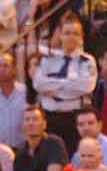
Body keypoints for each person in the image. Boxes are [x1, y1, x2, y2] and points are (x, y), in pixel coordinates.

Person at [33, 14, 98, 157]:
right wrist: (69, 85)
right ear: (60, 35)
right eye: (67, 33)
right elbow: (38, 84)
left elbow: (86, 86)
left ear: (81, 37)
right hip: (50, 117)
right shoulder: (49, 59)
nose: (70, 37)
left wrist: (53, 88)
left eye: (75, 33)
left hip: (73, 119)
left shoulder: (86, 61)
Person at [13, 105, 68, 171]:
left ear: (44, 124)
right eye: (27, 119)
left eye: (35, 119)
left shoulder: (54, 143)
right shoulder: (20, 153)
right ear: (22, 126)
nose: (31, 123)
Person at [71, 106, 107, 170]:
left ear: (100, 125)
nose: (86, 128)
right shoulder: (77, 154)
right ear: (77, 128)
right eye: (81, 124)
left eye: (90, 123)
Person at [0, 52, 26, 150]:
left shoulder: (26, 93)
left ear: (14, 69)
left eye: (5, 66)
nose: (1, 69)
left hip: (23, 151)